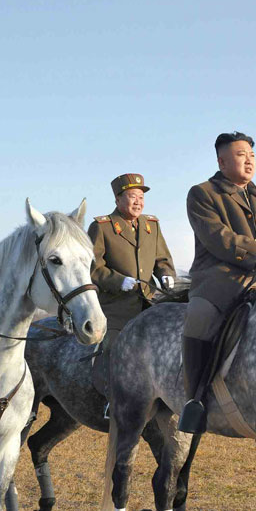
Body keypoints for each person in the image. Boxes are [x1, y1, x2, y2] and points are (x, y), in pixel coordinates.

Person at [178, 132, 256, 434]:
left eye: (252, 155)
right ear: (222, 161)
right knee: (200, 319)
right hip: (220, 278)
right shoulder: (202, 193)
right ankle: (195, 400)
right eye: (241, 154)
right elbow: (218, 238)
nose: (249, 160)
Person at [88, 173, 175, 411]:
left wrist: (167, 273)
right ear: (117, 200)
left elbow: (162, 258)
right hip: (115, 306)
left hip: (149, 302)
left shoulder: (151, 225)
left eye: (141, 196)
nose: (138, 201)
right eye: (132, 196)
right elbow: (92, 268)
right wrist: (118, 281)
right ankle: (111, 399)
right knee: (114, 347)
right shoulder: (102, 227)